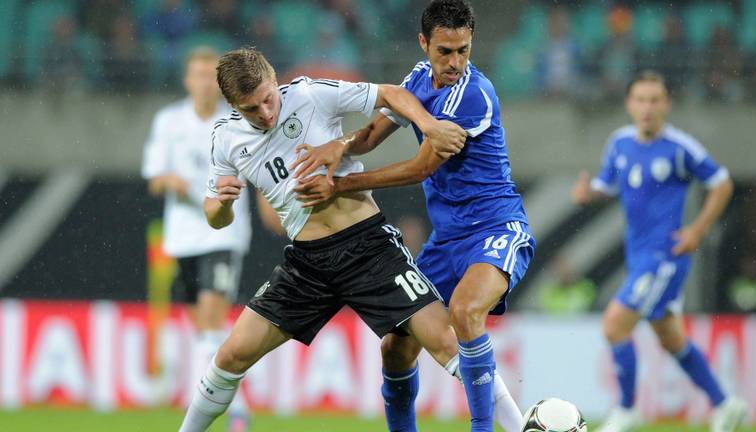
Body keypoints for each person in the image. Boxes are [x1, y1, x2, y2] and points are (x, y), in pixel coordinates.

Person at [178, 47, 471, 431]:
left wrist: (429, 126)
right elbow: (214, 215)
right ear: (233, 105)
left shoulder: (310, 93)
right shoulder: (226, 139)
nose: (266, 113)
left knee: (446, 342)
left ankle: (519, 422)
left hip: (369, 247)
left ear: (274, 79)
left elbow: (391, 94)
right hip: (308, 263)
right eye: (251, 109)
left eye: (268, 98)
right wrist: (224, 205)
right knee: (231, 354)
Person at [292, 2, 532, 431]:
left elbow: (420, 168)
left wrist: (342, 185)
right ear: (424, 44)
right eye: (445, 51)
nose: (455, 62)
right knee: (395, 348)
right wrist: (341, 146)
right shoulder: (418, 79)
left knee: (464, 312)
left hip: (496, 228)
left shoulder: (471, 95)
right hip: (446, 240)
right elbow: (370, 135)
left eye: (463, 50)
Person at [570, 71, 746, 432]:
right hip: (638, 256)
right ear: (629, 104)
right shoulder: (619, 143)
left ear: (666, 104)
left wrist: (697, 229)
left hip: (665, 257)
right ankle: (726, 404)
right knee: (670, 336)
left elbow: (722, 183)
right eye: (641, 100)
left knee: (615, 324)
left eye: (654, 100)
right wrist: (589, 193)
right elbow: (607, 185)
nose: (647, 107)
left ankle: (627, 409)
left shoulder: (680, 148)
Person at [141, 47, 254, 432]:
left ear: (221, 84)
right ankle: (237, 403)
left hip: (223, 233)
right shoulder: (169, 121)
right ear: (188, 80)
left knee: (211, 318)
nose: (205, 83)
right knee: (203, 328)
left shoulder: (237, 122)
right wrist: (179, 183)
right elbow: (155, 177)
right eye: (199, 75)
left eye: (211, 76)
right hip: (182, 238)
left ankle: (231, 414)